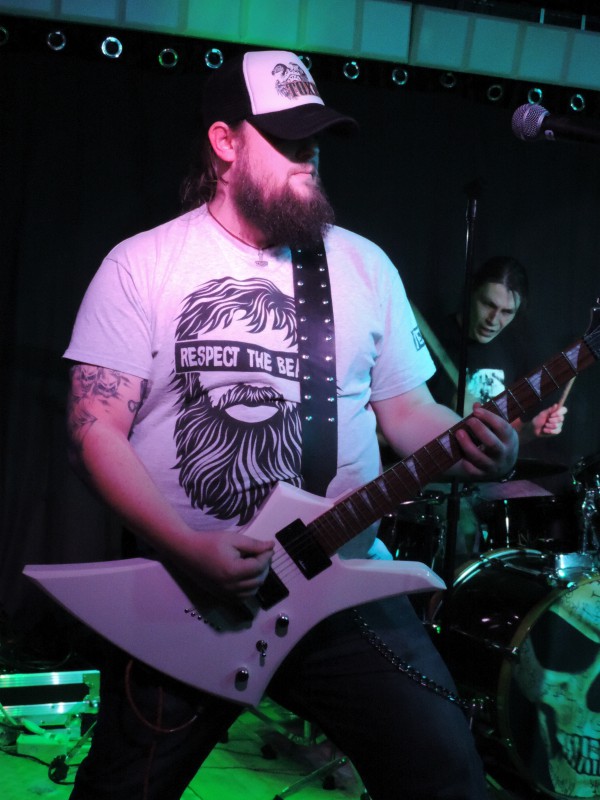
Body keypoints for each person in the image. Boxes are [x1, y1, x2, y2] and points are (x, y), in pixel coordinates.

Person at [63, 50, 518, 800]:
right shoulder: (142, 265)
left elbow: (408, 412)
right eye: (287, 139)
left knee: (446, 771)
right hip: (189, 597)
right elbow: (93, 431)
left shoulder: (364, 266)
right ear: (224, 142)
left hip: (342, 584)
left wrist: (479, 447)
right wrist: (189, 548)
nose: (309, 157)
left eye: (316, 140)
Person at [425, 256, 568, 557]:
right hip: (438, 478)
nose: (494, 319)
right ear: (471, 293)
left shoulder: (508, 349)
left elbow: (504, 431)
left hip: (485, 479)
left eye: (507, 312)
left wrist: (530, 430)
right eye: (488, 304)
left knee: (546, 513)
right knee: (462, 534)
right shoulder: (430, 341)